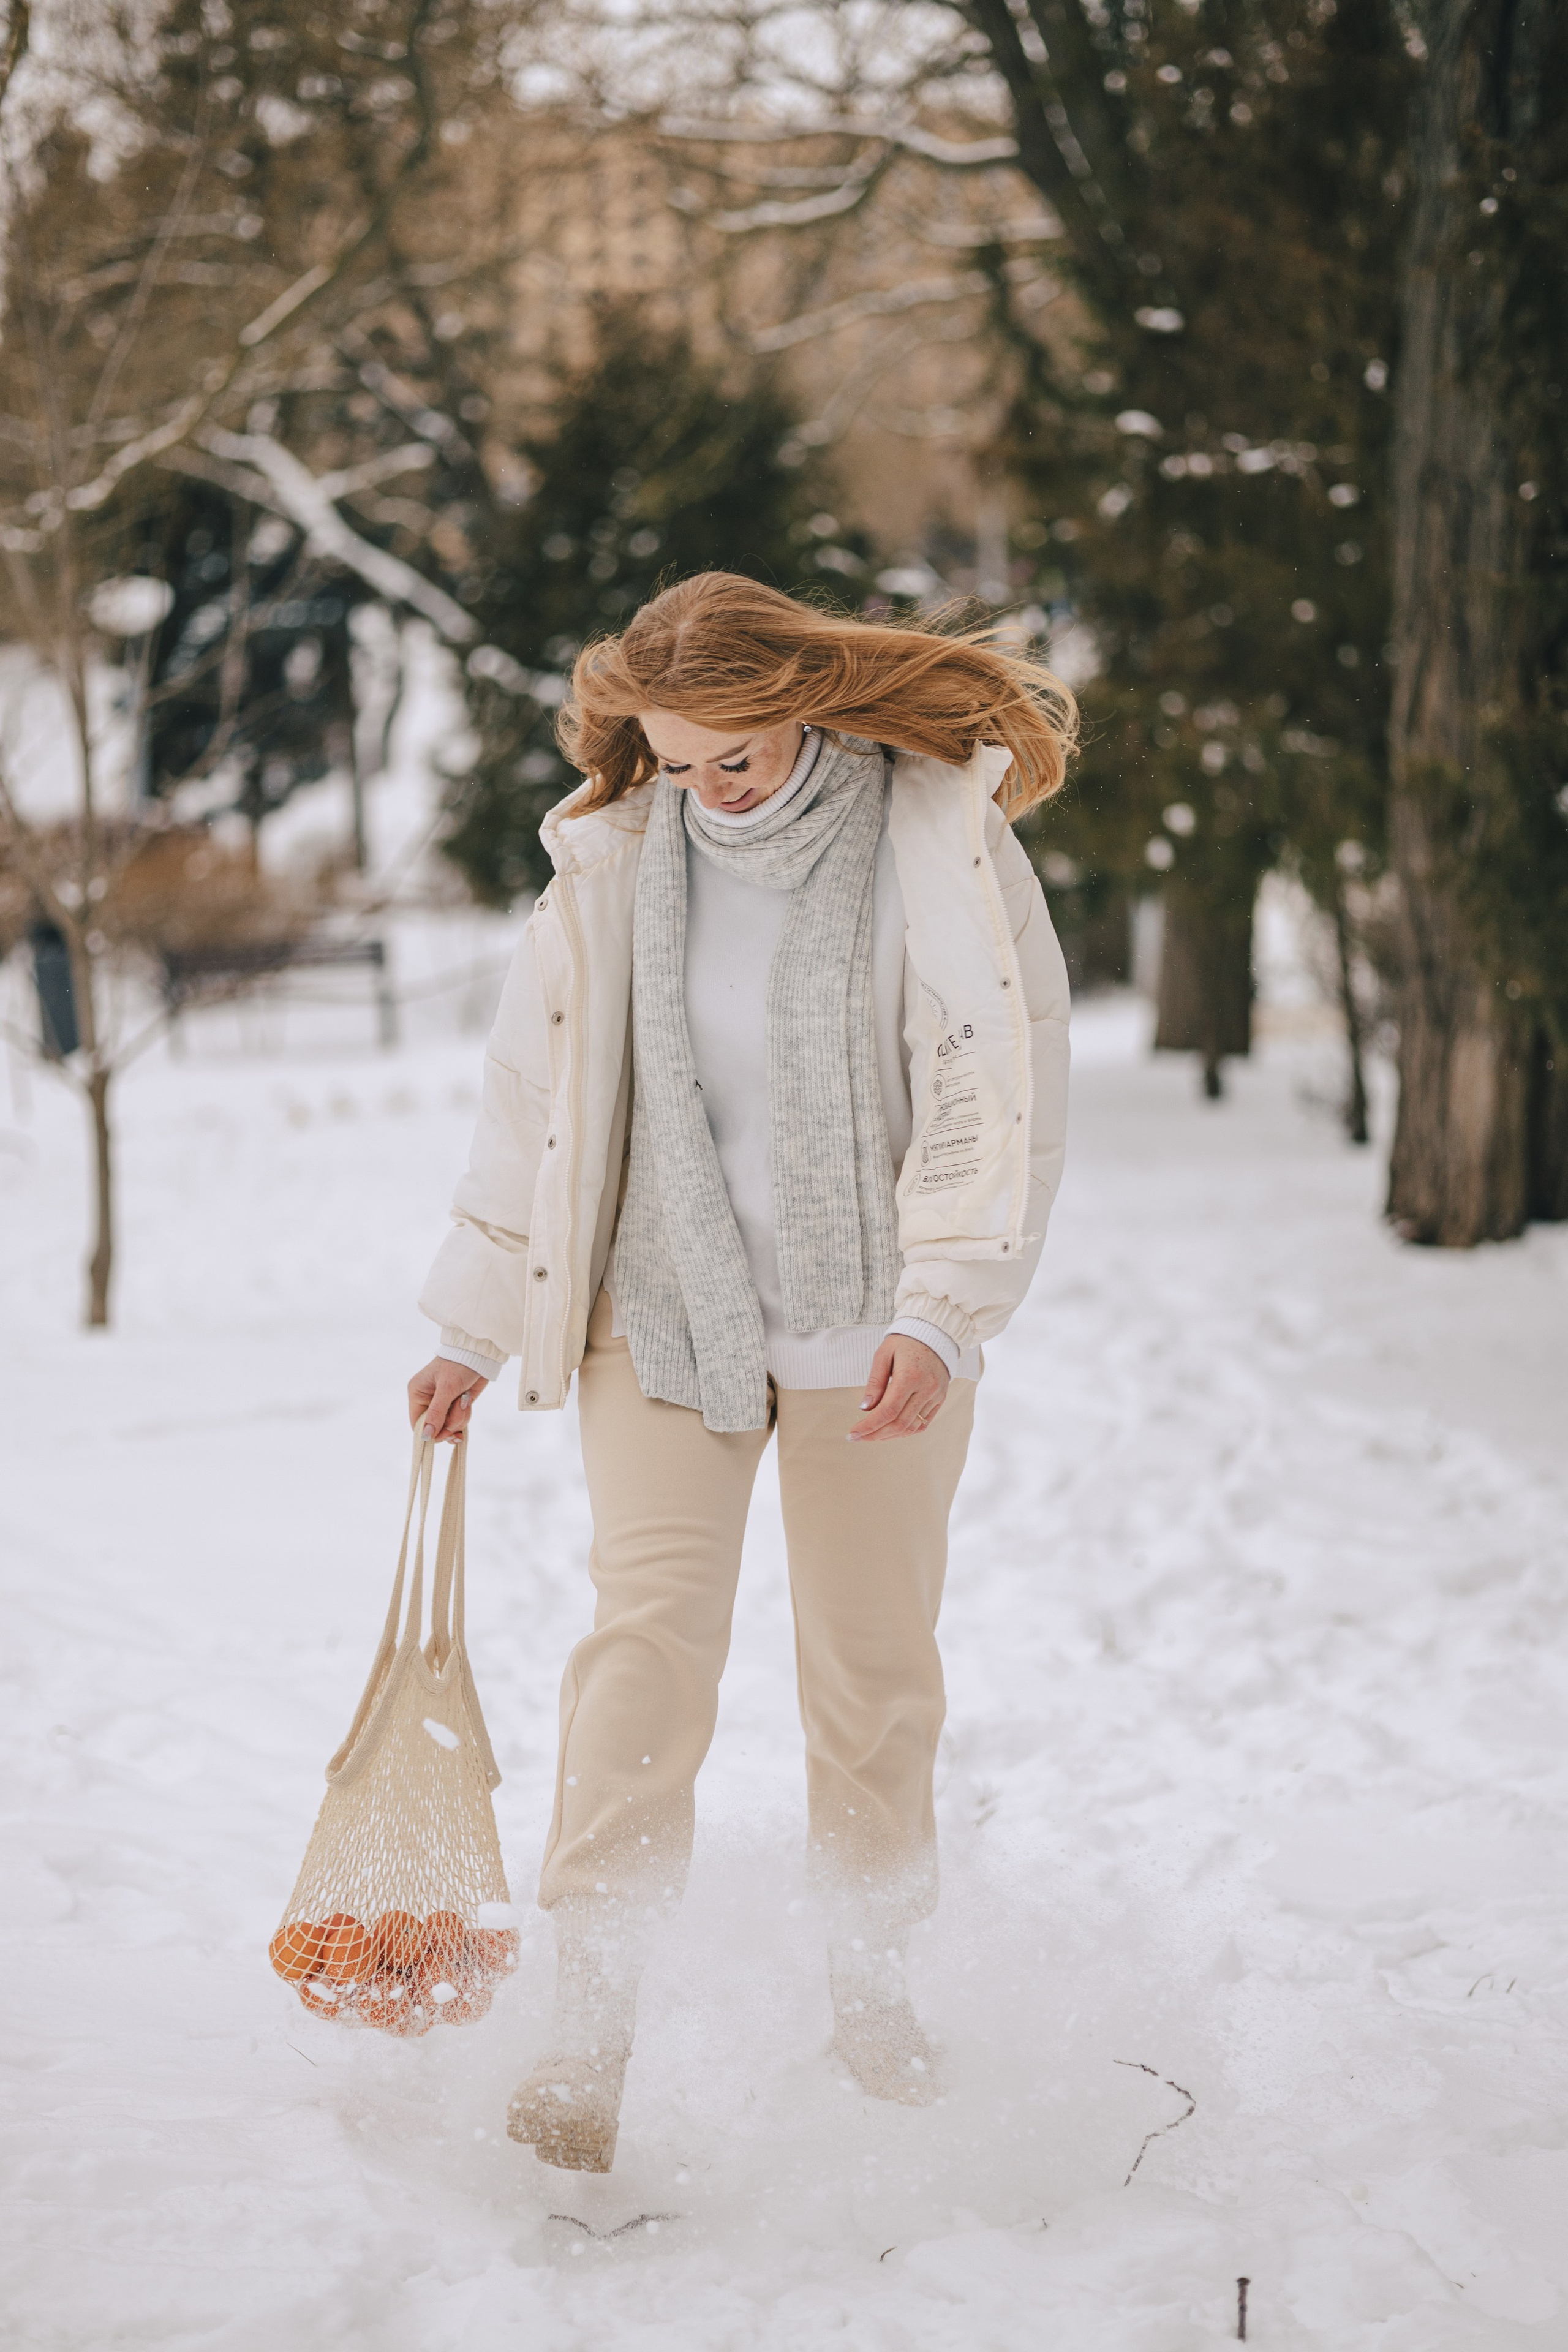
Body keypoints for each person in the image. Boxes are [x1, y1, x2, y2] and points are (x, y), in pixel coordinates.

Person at [407, 573, 1075, 2173]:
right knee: (642, 1653)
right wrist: (469, 1326)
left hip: (877, 1335)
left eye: (738, 757)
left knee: (871, 1677)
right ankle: (588, 2035)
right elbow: (533, 1111)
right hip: (663, 1313)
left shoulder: (936, 839)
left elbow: (1003, 1092)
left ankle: (874, 2003)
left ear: (806, 708)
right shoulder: (612, 862)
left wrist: (945, 1312)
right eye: (674, 759)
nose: (707, 789)